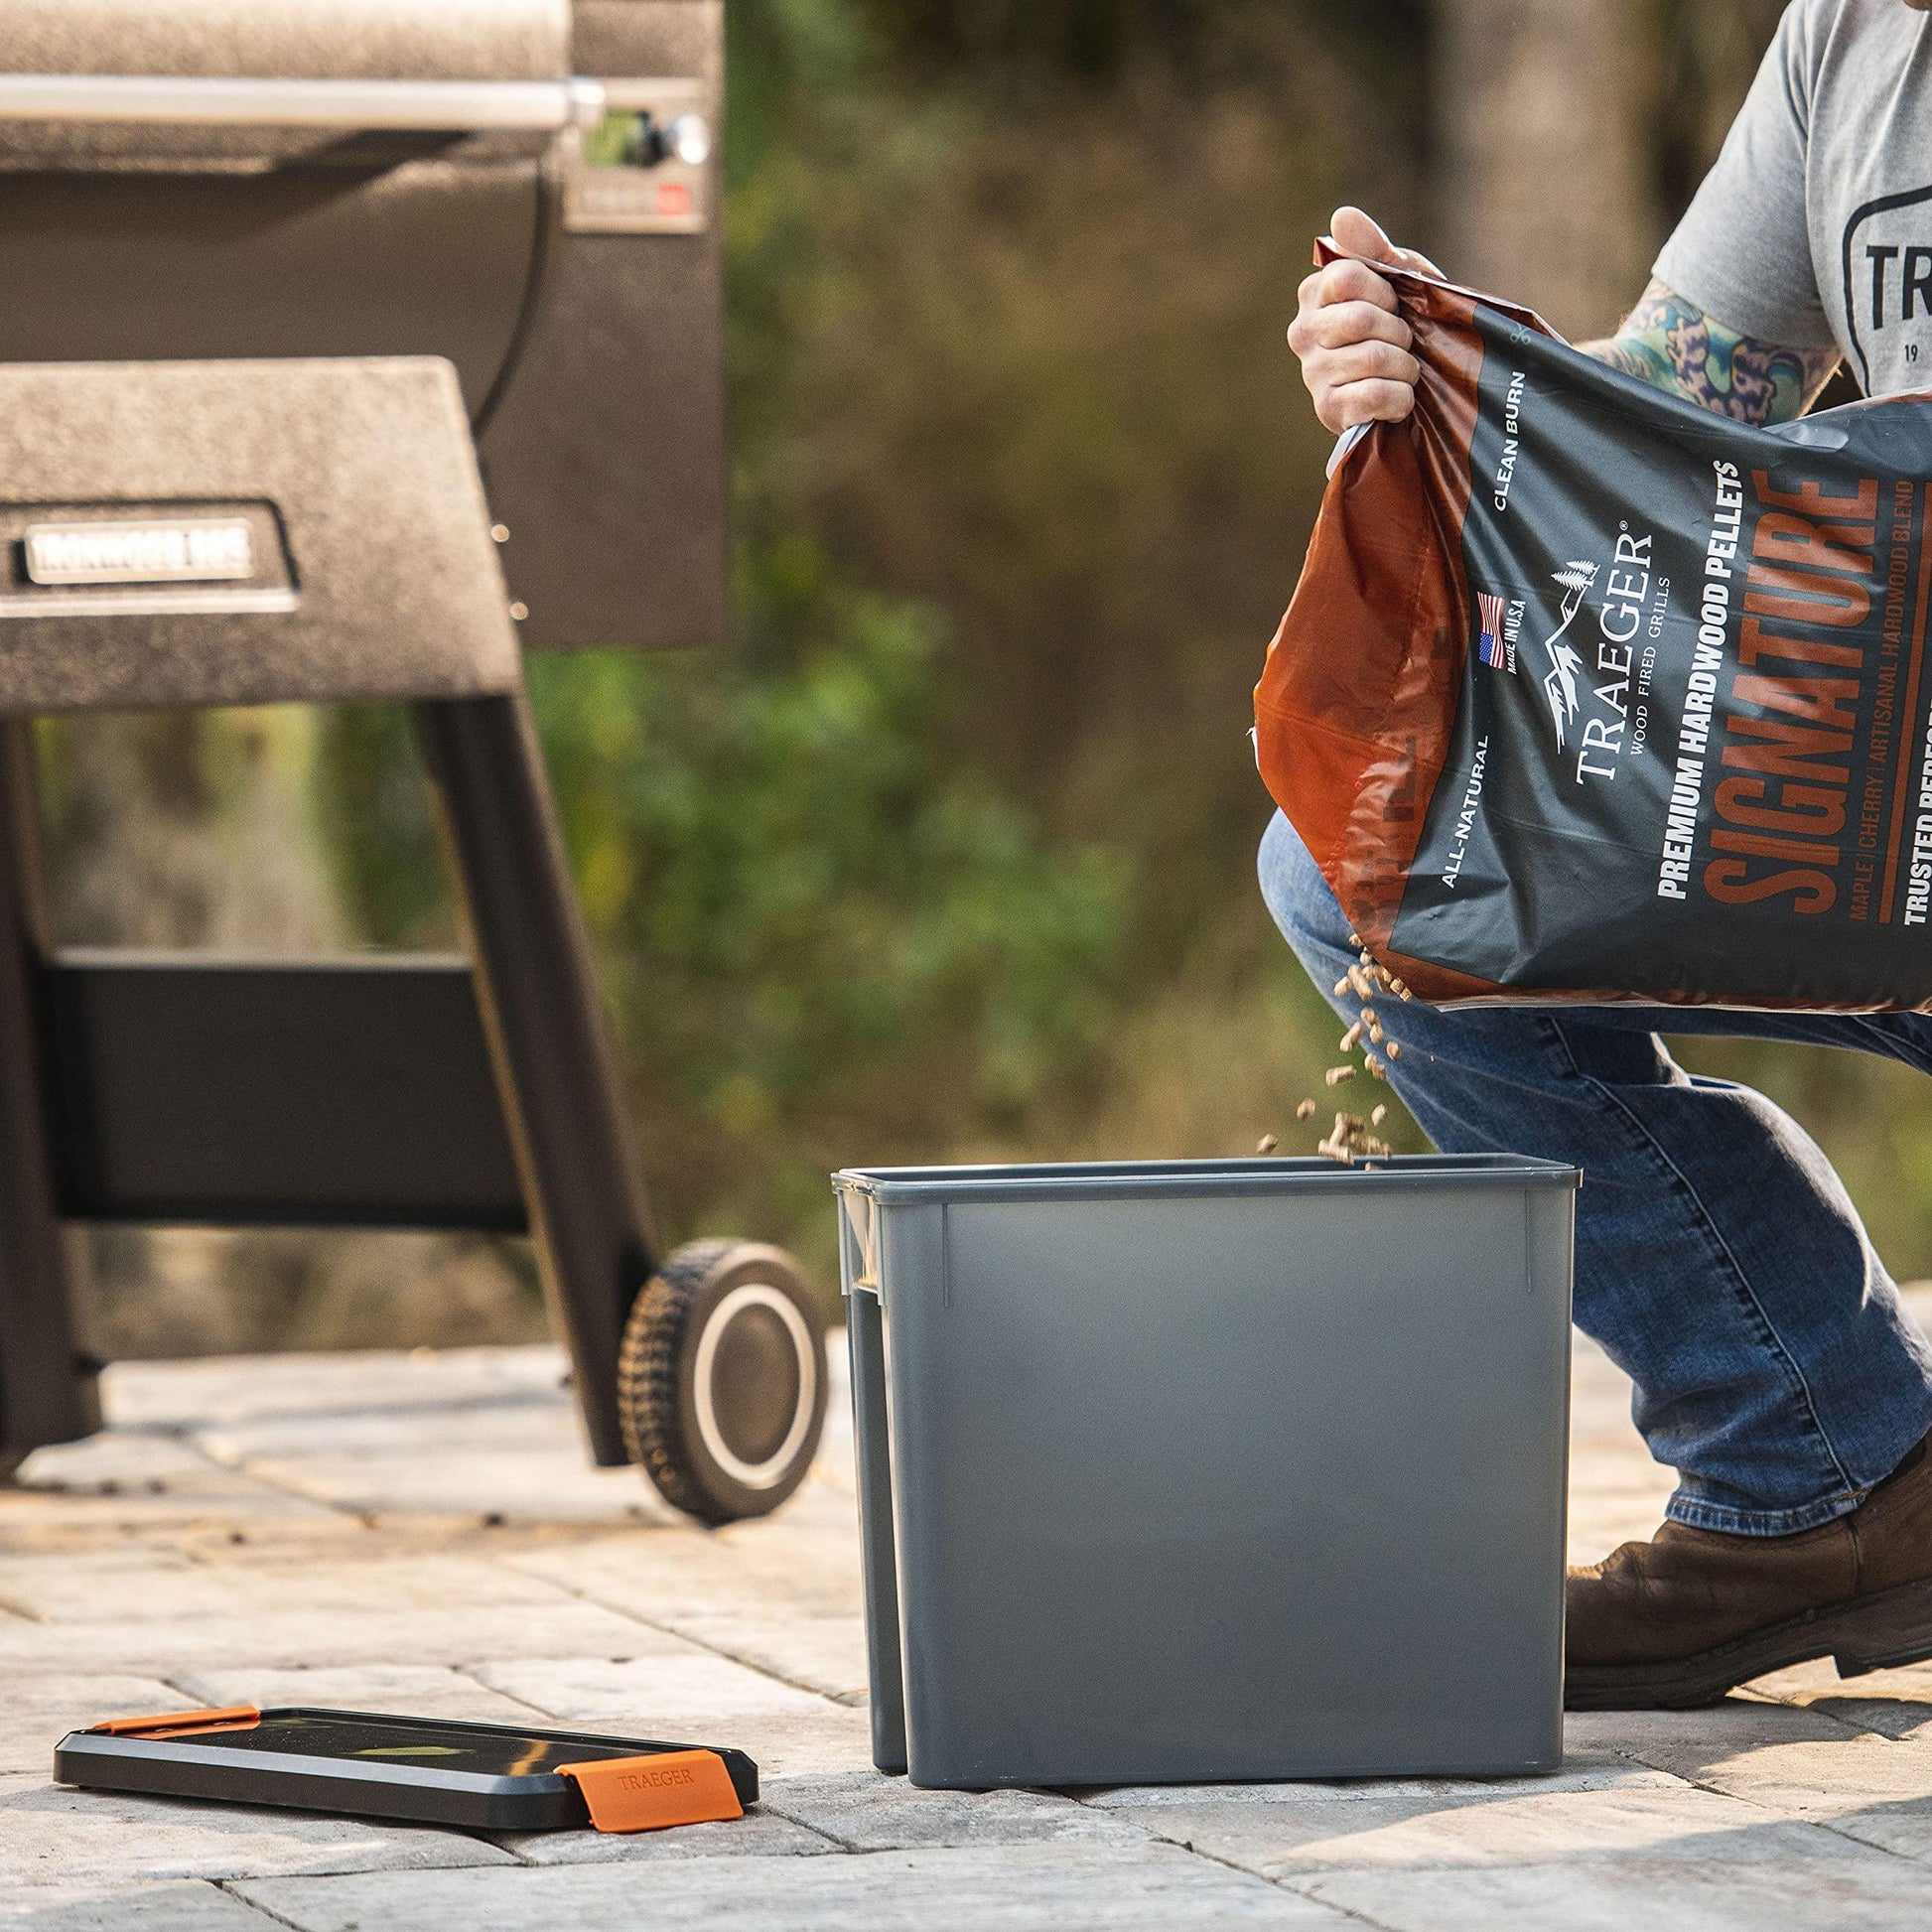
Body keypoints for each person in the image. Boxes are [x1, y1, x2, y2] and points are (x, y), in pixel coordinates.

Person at [1275, 0, 1932, 1710]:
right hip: (1893, 815)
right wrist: (1445, 383)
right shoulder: (1843, 38)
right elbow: (1666, 422)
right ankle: (1827, 1464)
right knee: (1372, 859)